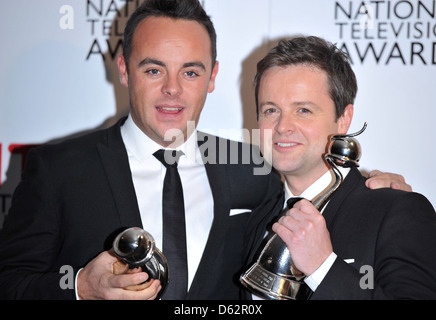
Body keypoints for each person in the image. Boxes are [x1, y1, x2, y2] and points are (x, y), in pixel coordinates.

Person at [0, 1, 409, 300]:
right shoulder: (57, 170)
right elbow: (10, 282)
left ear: (212, 76)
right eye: (154, 69)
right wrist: (80, 288)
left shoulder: (253, 169)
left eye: (190, 71)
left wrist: (366, 183)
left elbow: (312, 182)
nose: (173, 89)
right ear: (124, 69)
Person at [252, 35, 436, 299]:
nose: (282, 126)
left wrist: (323, 268)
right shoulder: (257, 220)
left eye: (303, 110)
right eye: (270, 110)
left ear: (343, 119)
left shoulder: (396, 212)